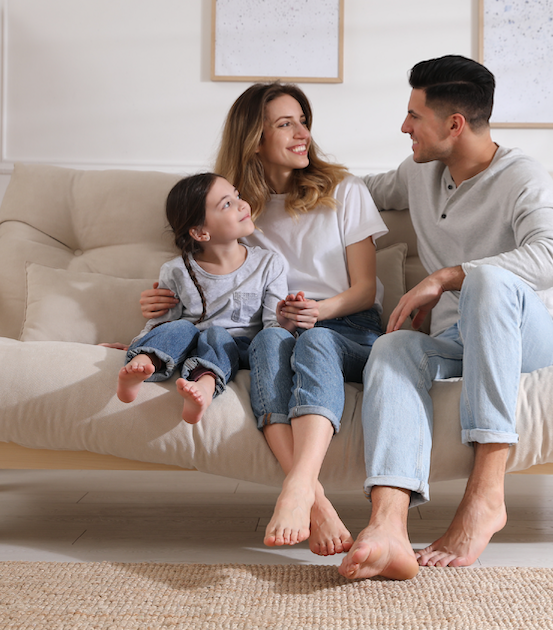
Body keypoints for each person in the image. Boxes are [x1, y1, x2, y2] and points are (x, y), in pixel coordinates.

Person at [339, 55, 553, 581]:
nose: (404, 127)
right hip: (459, 342)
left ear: (454, 124)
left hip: (534, 343)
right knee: (392, 347)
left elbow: (552, 257)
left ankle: (486, 493)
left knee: (489, 281)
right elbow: (353, 191)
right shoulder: (419, 173)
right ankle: (388, 524)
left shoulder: (523, 177)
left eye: (414, 116)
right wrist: (271, 178)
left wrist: (450, 275)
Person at [140, 82, 387, 557]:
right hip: (273, 329)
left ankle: (298, 488)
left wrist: (319, 311)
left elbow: (365, 289)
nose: (303, 134)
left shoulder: (345, 191)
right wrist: (159, 305)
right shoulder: (235, 209)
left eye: (303, 121)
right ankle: (316, 503)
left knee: (312, 342)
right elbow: (200, 272)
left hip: (347, 325)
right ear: (255, 138)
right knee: (270, 343)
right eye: (285, 124)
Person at [118, 172, 288, 425]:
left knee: (216, 335)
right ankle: (141, 365)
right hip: (192, 346)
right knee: (180, 326)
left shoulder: (269, 263)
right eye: (227, 203)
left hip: (241, 348)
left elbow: (273, 325)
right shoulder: (176, 270)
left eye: (237, 195)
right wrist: (140, 342)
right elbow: (162, 322)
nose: (243, 204)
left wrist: (290, 322)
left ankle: (205, 389)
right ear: (200, 232)